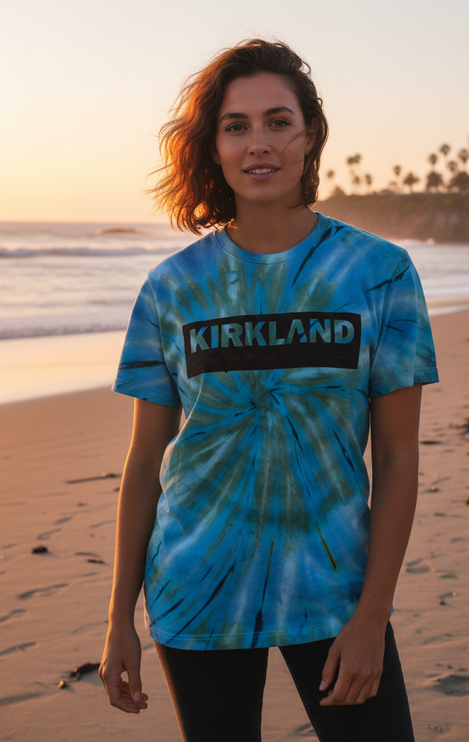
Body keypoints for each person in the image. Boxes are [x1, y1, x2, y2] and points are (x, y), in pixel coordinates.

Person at [99, 39, 439, 742]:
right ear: (214, 148)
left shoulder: (378, 273)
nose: (259, 144)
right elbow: (143, 467)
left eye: (277, 122)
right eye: (236, 126)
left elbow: (399, 460)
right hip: (195, 591)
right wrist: (117, 621)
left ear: (308, 136)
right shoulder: (172, 287)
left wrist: (373, 613)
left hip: (336, 592)